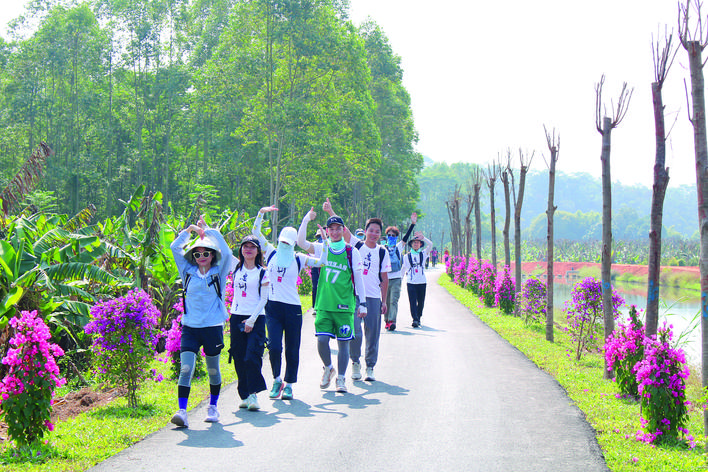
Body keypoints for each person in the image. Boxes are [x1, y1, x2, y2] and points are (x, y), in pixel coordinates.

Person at [252, 206, 327, 400]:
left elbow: (321, 262)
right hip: (273, 307)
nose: (285, 244)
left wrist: (325, 243)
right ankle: (277, 380)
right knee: (275, 346)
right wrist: (261, 213)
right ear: (279, 241)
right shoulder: (271, 253)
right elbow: (255, 233)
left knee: (292, 347)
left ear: (293, 243)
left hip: (293, 309)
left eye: (288, 242)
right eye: (282, 241)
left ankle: (290, 384)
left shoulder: (299, 258)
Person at [169, 216, 234, 428]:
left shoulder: (219, 271)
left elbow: (229, 252)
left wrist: (209, 231)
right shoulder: (187, 271)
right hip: (190, 327)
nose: (202, 256)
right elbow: (174, 246)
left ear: (212, 255)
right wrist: (189, 230)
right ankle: (182, 411)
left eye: (206, 253)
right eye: (198, 253)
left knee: (213, 370)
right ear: (193, 256)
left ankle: (213, 407)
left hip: (213, 327)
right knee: (186, 368)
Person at [297, 207, 366, 393]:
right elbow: (301, 242)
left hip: (345, 306)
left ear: (343, 230)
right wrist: (306, 219)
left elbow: (359, 278)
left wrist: (364, 303)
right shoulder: (321, 248)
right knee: (321, 340)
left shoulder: (352, 251)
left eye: (338, 228)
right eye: (331, 229)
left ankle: (341, 378)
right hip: (324, 306)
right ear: (327, 231)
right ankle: (328, 368)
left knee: (344, 343)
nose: (334, 232)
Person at [323, 201, 391, 381]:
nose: (374, 234)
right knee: (356, 332)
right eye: (371, 230)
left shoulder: (383, 251)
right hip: (354, 297)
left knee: (373, 333)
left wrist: (384, 301)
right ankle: (355, 362)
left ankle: (370, 366)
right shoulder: (357, 245)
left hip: (374, 298)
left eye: (377, 231)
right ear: (366, 231)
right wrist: (330, 211)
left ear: (380, 234)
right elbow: (343, 230)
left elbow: (385, 278)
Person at [228, 235, 270, 411]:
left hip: (256, 318)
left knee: (252, 356)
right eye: (245, 246)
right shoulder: (236, 268)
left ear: (257, 251)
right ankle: (244, 394)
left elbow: (264, 299)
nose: (248, 249)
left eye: (252, 247)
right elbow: (221, 247)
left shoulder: (262, 272)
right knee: (238, 357)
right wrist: (204, 230)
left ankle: (253, 394)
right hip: (237, 316)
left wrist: (251, 320)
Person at [383, 213, 417, 331]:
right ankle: (387, 321)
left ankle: (392, 321)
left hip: (396, 278)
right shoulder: (382, 248)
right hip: (385, 279)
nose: (391, 236)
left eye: (393, 235)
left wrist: (412, 224)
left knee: (393, 300)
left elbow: (406, 237)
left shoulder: (398, 247)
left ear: (397, 237)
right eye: (389, 235)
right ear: (386, 236)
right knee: (386, 301)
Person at [402, 231, 433, 328]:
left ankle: (418, 317)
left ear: (420, 244)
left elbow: (431, 244)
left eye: (418, 242)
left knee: (421, 301)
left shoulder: (423, 254)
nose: (416, 244)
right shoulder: (406, 256)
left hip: (422, 281)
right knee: (412, 301)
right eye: (414, 242)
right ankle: (414, 319)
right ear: (411, 244)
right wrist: (399, 280)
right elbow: (403, 268)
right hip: (411, 282)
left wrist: (423, 238)